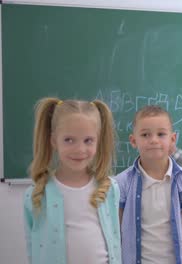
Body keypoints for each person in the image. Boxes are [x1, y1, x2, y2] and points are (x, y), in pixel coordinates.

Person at [23, 98, 121, 264]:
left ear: (98, 140)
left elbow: (115, 239)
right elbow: (33, 247)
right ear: (54, 140)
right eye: (69, 140)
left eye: (88, 140)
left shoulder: (110, 188)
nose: (80, 149)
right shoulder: (37, 194)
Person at [115, 105, 182, 264]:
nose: (153, 140)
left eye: (161, 134)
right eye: (145, 134)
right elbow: (115, 233)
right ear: (133, 141)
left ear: (173, 139)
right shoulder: (122, 183)